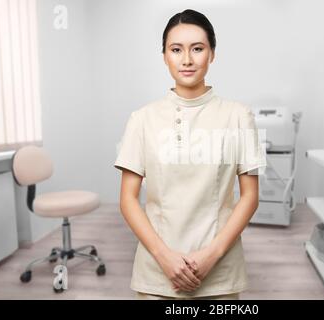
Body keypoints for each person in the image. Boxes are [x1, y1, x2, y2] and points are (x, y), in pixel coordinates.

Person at [114, 9, 266, 300]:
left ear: (212, 54)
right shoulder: (142, 119)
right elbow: (128, 199)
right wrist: (165, 258)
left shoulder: (237, 116)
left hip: (219, 269)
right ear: (164, 56)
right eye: (176, 49)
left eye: (197, 48)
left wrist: (211, 255)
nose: (186, 59)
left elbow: (250, 196)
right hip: (157, 271)